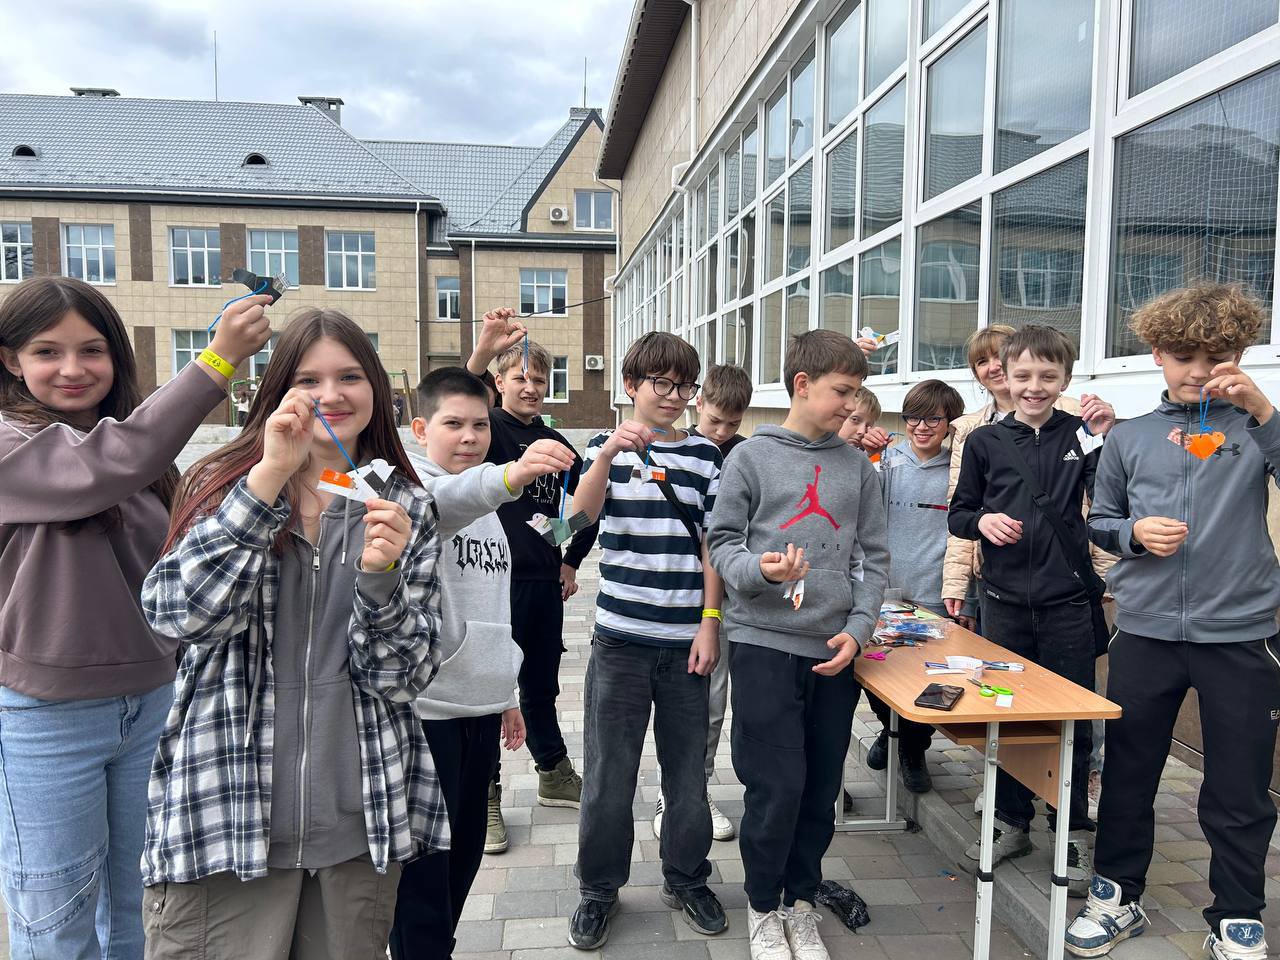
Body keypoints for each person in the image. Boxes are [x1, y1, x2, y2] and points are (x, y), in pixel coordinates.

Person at [140, 309, 443, 959]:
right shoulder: (223, 484)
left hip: (355, 826)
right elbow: (178, 616)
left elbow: (404, 677)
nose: (331, 395)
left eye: (350, 376)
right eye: (308, 379)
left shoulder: (404, 504)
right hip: (225, 821)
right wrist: (266, 482)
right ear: (277, 391)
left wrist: (381, 581)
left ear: (377, 389)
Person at [0, 276, 269, 959]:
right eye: (47, 351)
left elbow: (178, 564)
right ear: (10, 360)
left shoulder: (137, 454)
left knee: (140, 904)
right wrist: (215, 361)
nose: (72, 368)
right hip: (46, 718)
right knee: (56, 915)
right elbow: (102, 468)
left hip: (154, 703)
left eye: (92, 350)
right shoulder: (14, 444)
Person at [1066, 285, 1280, 960]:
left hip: (1241, 635)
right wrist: (1133, 534)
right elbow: (1100, 521)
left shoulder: (1257, 428)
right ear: (1157, 354)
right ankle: (1115, 896)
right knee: (1128, 774)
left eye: (1215, 357)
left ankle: (1238, 916)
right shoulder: (1129, 436)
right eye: (1184, 356)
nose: (1197, 371)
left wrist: (1264, 412)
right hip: (1145, 632)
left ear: (1239, 356)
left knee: (1240, 788)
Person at [708, 329, 889, 960]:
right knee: (776, 786)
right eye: (843, 390)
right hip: (762, 645)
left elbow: (874, 558)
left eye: (857, 392)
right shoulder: (749, 458)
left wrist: (859, 631)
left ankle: (800, 903)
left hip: (833, 652)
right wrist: (760, 571)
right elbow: (722, 543)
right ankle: (763, 908)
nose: (852, 404)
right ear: (802, 385)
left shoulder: (858, 468)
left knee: (818, 789)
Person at [390, 367, 577, 959]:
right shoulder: (410, 491)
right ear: (421, 429)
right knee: (425, 868)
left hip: (479, 706)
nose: (470, 437)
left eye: (479, 425)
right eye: (453, 424)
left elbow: (493, 605)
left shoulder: (491, 502)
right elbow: (446, 503)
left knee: (465, 854)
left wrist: (505, 695)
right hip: (428, 714)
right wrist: (512, 474)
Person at [567, 331, 726, 949]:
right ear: (630, 385)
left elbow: (713, 545)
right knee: (610, 775)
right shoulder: (601, 448)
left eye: (685, 386)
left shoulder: (707, 457)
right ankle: (597, 888)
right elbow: (574, 522)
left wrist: (710, 622)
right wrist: (607, 454)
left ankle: (687, 878)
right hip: (620, 642)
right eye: (661, 383)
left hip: (687, 642)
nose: (674, 396)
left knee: (687, 775)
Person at [948, 324, 1115, 895]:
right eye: (1023, 375)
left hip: (1068, 604)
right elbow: (959, 513)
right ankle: (1011, 821)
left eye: (1048, 375)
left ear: (1066, 378)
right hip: (1003, 606)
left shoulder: (1082, 434)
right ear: (1004, 376)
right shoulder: (983, 442)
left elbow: (1112, 497)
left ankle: (1072, 826)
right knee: (1008, 715)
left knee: (1074, 719)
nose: (1034, 386)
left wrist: (1107, 436)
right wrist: (982, 522)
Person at [466, 309, 597, 850]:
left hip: (543, 583)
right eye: (520, 377)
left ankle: (553, 772)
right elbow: (462, 395)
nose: (531, 387)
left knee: (541, 686)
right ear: (498, 383)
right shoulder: (487, 429)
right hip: (490, 582)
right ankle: (485, 793)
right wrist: (482, 353)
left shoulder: (559, 443)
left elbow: (585, 510)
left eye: (540, 379)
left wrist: (571, 559)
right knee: (490, 688)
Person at [653, 362, 753, 843]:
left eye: (732, 424)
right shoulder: (677, 449)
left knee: (714, 703)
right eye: (715, 421)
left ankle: (698, 786)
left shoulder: (746, 455)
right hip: (677, 599)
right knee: (681, 702)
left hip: (731, 601)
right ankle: (670, 792)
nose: (722, 432)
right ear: (699, 403)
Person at [864, 379, 965, 796]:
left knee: (928, 678)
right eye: (913, 418)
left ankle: (912, 748)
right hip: (885, 589)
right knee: (875, 671)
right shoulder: (886, 460)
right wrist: (866, 451)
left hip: (934, 590)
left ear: (950, 423)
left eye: (933, 419)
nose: (921, 427)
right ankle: (891, 731)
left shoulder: (958, 469)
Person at [837, 386, 882, 451]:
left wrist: (875, 453)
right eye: (855, 419)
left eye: (868, 426)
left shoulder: (861, 454)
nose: (862, 432)